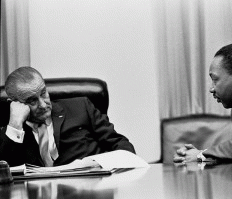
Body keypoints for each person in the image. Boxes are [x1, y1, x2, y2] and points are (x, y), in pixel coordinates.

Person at [0, 67, 135, 167]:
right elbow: (4, 171)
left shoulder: (81, 107)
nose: (42, 104)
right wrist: (15, 125)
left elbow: (122, 145)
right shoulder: (10, 132)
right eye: (32, 100)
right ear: (15, 103)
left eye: (43, 93)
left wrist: (99, 165)